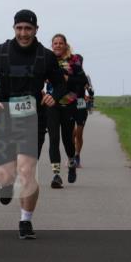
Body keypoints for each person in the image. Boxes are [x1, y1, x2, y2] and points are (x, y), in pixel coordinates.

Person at [0, 10, 66, 240]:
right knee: (4, 175)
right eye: (19, 28)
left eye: (28, 28)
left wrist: (53, 96)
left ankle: (25, 220)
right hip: (3, 117)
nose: (23, 33)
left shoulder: (45, 56)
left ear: (36, 30)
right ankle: (5, 184)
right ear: (14, 29)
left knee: (27, 171)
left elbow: (59, 84)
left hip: (32, 119)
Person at [44, 34, 86, 185]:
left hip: (69, 104)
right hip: (52, 104)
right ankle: (56, 175)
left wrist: (69, 79)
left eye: (61, 43)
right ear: (52, 45)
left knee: (68, 140)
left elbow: (83, 81)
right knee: (53, 139)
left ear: (65, 45)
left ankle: (71, 163)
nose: (58, 45)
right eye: (55, 43)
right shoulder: (48, 60)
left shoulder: (73, 60)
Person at [73, 74, 95, 168]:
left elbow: (91, 92)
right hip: (69, 106)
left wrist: (89, 93)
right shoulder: (66, 74)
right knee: (71, 133)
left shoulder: (85, 77)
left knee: (79, 134)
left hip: (81, 107)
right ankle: (71, 155)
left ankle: (77, 156)